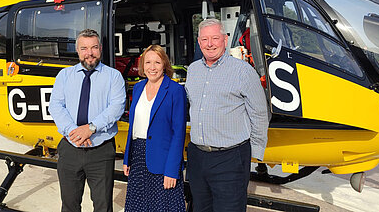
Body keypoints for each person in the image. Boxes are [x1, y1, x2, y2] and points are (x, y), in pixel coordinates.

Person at [185, 18, 269, 212]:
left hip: (230, 158)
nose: (210, 44)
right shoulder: (193, 70)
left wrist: (255, 152)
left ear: (225, 39)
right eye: (205, 39)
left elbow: (259, 113)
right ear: (199, 42)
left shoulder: (243, 71)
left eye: (215, 38)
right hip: (198, 157)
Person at [49, 29, 126, 212]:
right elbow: (56, 106)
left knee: (103, 206)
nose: (89, 53)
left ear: (100, 49)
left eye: (93, 47)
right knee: (69, 206)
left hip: (101, 150)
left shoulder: (113, 76)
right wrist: (74, 132)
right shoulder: (64, 76)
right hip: (70, 149)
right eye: (84, 48)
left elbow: (116, 107)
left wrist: (90, 128)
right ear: (77, 51)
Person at [123, 44, 187, 212]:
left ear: (165, 65)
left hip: (163, 161)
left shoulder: (175, 90)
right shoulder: (137, 88)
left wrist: (172, 170)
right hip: (137, 158)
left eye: (157, 63)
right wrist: (127, 158)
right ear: (142, 65)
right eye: (148, 62)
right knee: (138, 207)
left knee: (163, 207)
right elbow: (133, 127)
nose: (152, 67)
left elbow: (178, 134)